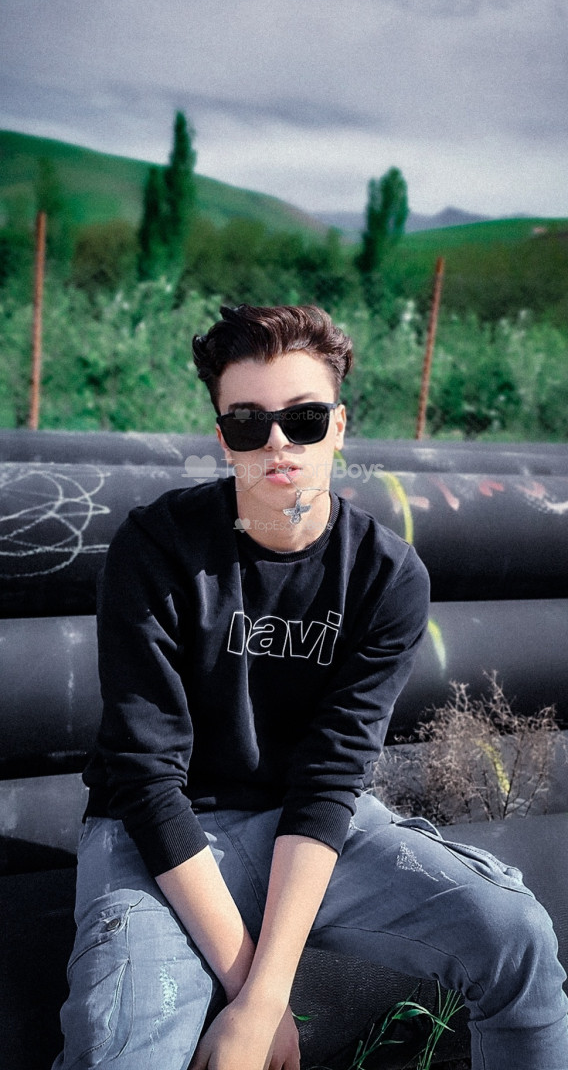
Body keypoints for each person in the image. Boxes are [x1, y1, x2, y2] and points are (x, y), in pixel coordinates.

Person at [53, 304, 568, 1070]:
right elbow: (146, 779)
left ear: (339, 425)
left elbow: (327, 783)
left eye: (303, 418)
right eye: (247, 423)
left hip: (311, 831)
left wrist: (266, 999)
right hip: (159, 836)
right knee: (120, 1048)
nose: (277, 444)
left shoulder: (386, 576)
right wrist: (254, 997)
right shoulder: (157, 546)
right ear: (221, 436)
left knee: (515, 936)